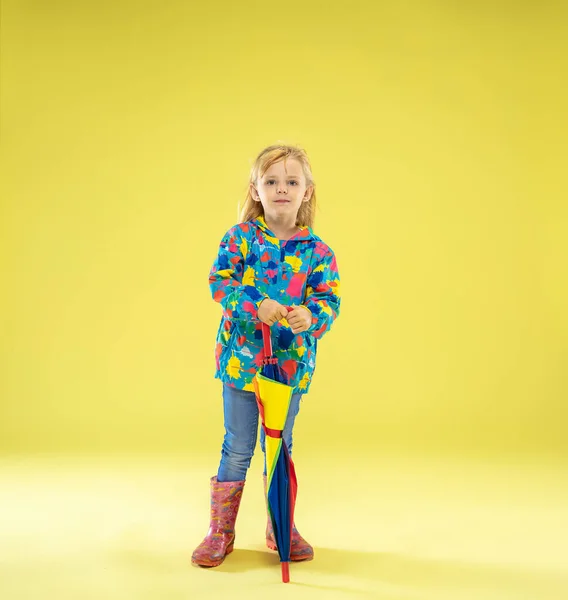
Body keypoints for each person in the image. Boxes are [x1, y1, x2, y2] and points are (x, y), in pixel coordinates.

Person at [191, 143, 341, 568]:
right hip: (242, 361)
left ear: (307, 192)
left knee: (279, 444)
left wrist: (310, 315)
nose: (281, 189)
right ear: (256, 190)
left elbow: (329, 302)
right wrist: (257, 304)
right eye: (271, 181)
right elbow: (220, 283)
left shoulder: (319, 253)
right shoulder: (239, 239)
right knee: (237, 445)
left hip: (288, 368)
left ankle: (281, 525)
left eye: (292, 182)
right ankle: (220, 531)